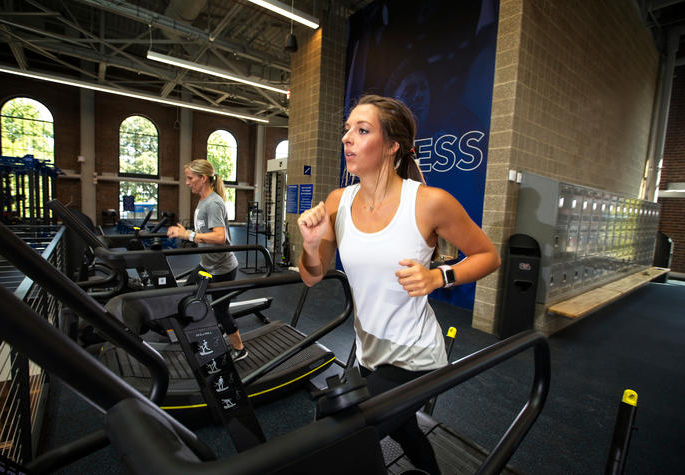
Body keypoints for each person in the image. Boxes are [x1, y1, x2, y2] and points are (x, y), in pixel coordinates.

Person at [297, 95, 500, 474]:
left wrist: (440, 276)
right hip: (369, 351)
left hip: (416, 358)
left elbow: (488, 255)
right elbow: (312, 275)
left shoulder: (428, 202)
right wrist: (310, 245)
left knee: (338, 438)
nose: (347, 139)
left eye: (362, 130)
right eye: (347, 130)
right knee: (402, 427)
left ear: (392, 146)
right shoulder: (338, 201)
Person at [167, 159, 248, 362]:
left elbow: (220, 237)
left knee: (221, 310)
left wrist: (189, 236)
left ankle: (239, 348)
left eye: (190, 178)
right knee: (185, 294)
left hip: (222, 269)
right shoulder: (203, 201)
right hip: (207, 265)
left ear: (203, 178)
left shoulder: (213, 203)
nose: (187, 182)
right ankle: (201, 334)